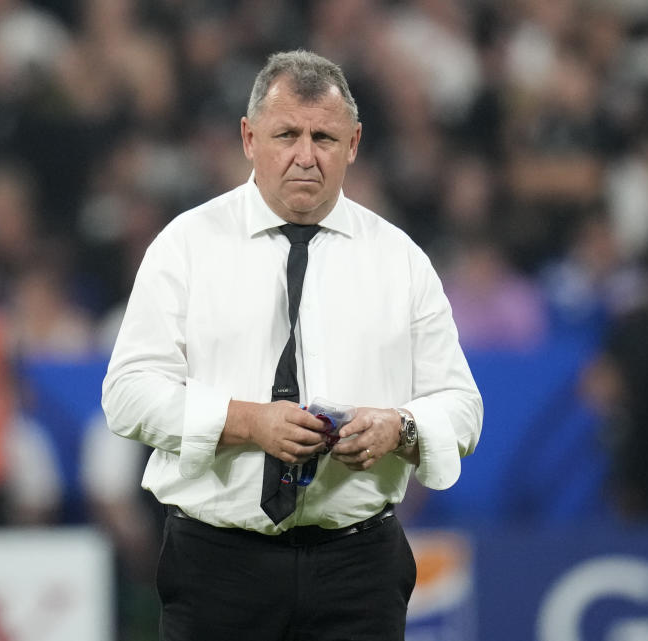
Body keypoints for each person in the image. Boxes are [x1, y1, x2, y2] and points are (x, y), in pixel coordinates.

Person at [102, 49, 483, 641]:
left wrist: (398, 428)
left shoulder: (400, 260)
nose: (306, 156)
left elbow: (462, 408)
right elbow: (127, 396)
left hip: (359, 569)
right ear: (249, 137)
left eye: (324, 138)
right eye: (287, 134)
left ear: (353, 144)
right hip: (217, 568)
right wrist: (247, 422)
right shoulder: (186, 246)